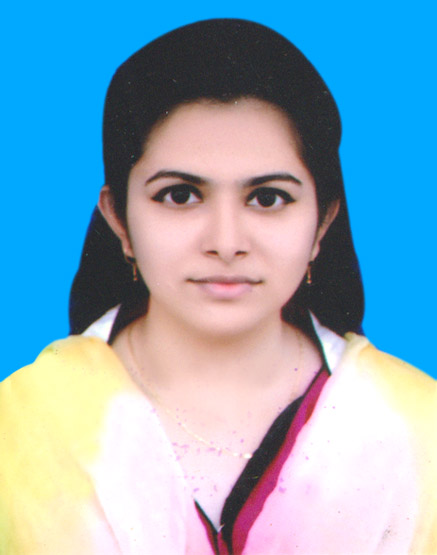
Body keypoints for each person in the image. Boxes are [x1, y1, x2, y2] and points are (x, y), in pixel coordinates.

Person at [0, 19, 435, 554]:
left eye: (268, 198)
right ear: (119, 221)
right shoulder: (19, 424)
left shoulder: (419, 428)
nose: (226, 242)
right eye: (180, 195)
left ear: (322, 223)